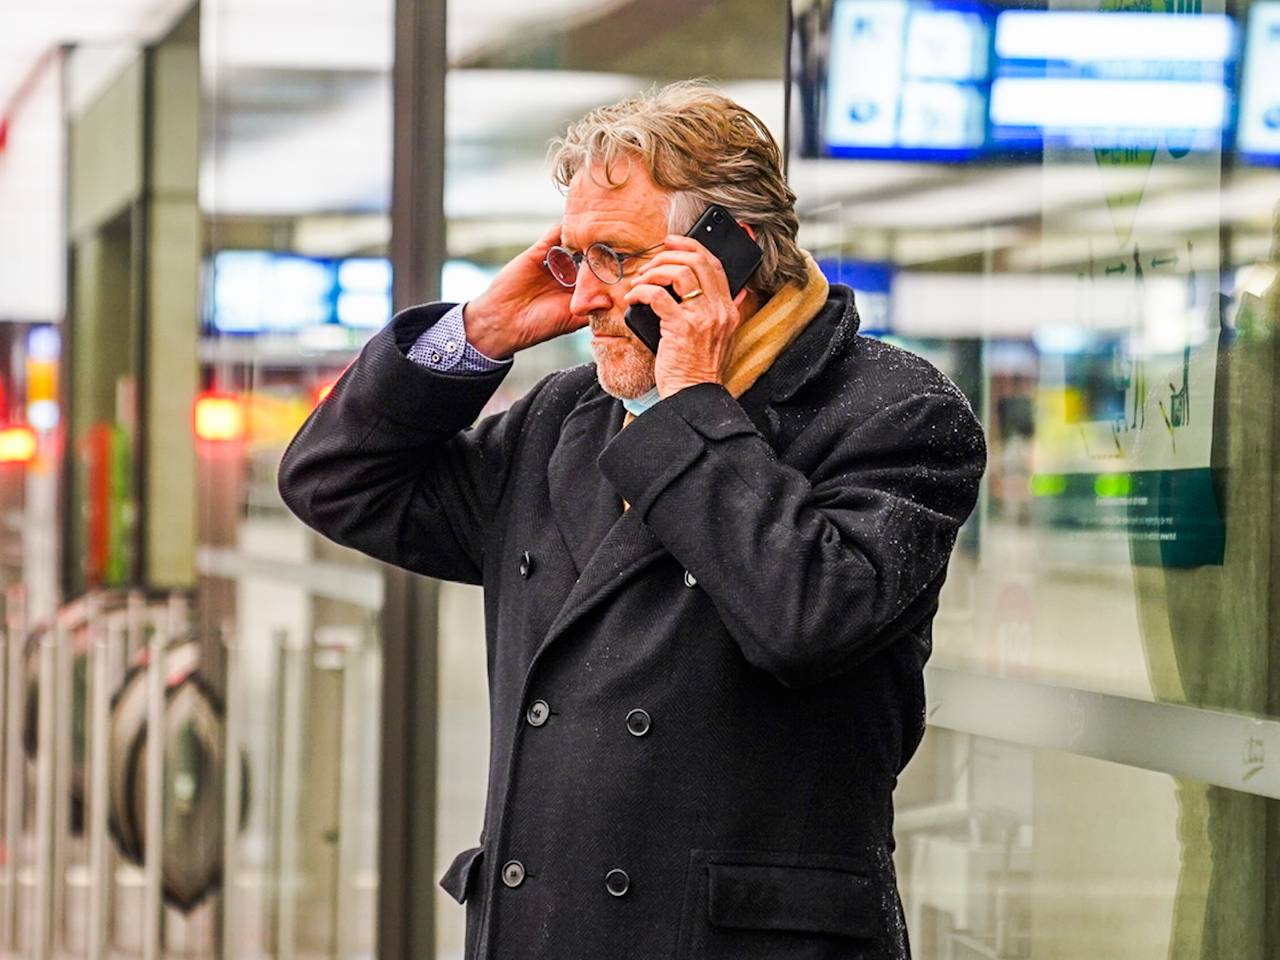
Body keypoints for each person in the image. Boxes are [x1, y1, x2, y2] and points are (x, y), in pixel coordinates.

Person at [279, 81, 986, 960]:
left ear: (730, 254)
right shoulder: (561, 419)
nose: (584, 300)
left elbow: (805, 617)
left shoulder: (895, 411)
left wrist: (690, 396)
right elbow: (335, 481)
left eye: (618, 257)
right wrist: (481, 329)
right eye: (577, 259)